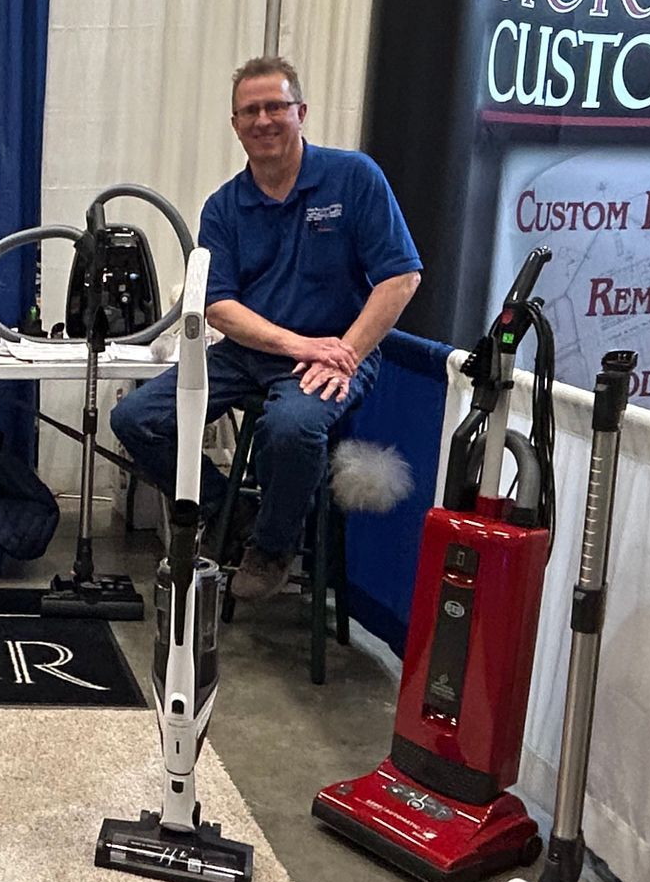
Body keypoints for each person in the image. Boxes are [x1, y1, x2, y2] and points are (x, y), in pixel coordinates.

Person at [111, 56, 422, 602]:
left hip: (337, 354)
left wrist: (343, 352)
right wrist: (295, 343)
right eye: (250, 111)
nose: (264, 120)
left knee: (291, 429)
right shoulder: (224, 207)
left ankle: (273, 547)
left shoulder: (354, 178)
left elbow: (401, 278)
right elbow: (219, 308)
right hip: (249, 353)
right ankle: (234, 510)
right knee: (136, 419)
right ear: (235, 125)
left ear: (301, 112)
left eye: (275, 106)